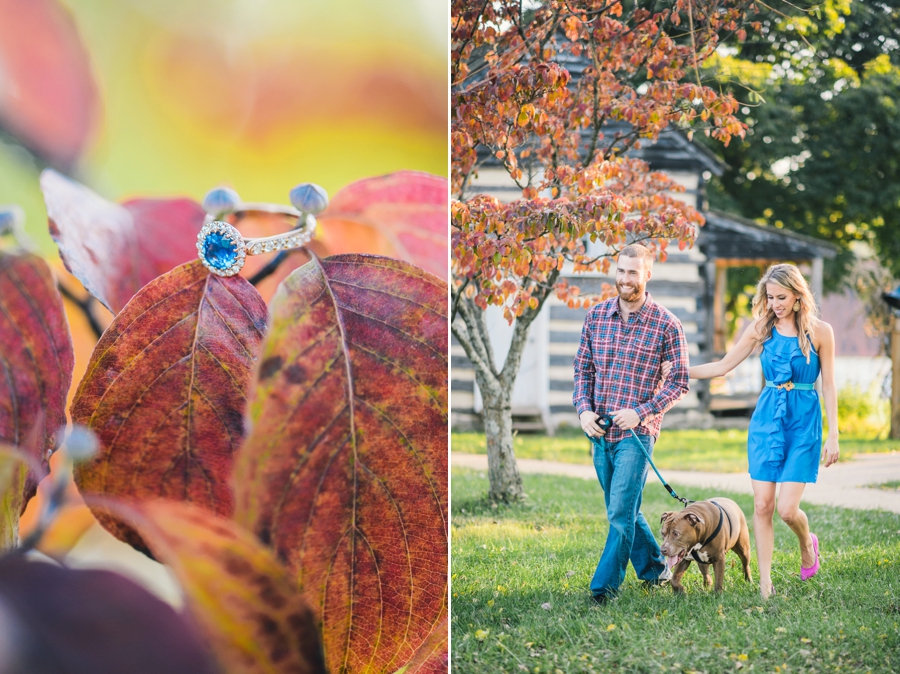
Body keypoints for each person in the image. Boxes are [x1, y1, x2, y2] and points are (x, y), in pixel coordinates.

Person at [689, 263, 839, 599]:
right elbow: (722, 366)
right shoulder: (761, 329)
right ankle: (765, 583)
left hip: (803, 422)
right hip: (767, 420)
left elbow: (828, 384)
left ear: (799, 295)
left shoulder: (821, 332)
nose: (775, 304)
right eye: (770, 297)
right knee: (762, 506)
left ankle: (806, 543)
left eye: (781, 297)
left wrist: (834, 434)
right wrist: (681, 372)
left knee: (787, 509)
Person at [573, 243, 690, 604]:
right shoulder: (595, 317)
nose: (626, 279)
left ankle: (603, 589)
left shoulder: (667, 324)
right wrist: (583, 410)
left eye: (633, 272)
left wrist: (641, 412)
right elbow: (583, 370)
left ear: (647, 275)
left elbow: (679, 381)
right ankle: (655, 570)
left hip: (637, 435)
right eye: (621, 271)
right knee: (625, 509)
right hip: (600, 431)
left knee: (619, 512)